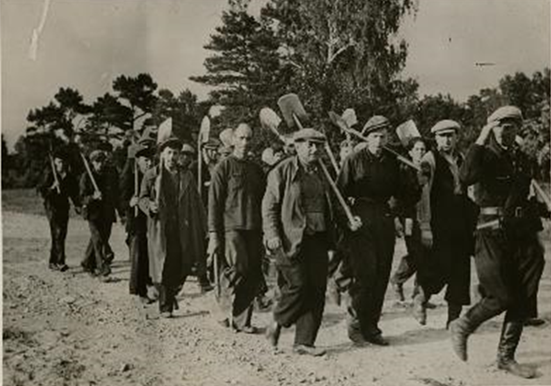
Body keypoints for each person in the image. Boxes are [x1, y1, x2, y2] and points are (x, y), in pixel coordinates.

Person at [450, 106, 546, 379]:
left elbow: (524, 197)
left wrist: (539, 221)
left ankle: (506, 357)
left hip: (519, 232)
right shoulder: (484, 155)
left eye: (512, 126)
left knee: (523, 294)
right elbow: (466, 176)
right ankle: (463, 325)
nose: (507, 130)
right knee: (500, 296)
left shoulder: (521, 159)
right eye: (501, 125)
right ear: (492, 128)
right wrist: (481, 136)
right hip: (489, 231)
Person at [263, 128, 350, 356]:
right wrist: (271, 234)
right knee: (299, 285)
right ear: (297, 145)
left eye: (318, 145)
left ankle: (304, 342)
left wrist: (349, 221)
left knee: (317, 290)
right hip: (290, 239)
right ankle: (277, 321)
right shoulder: (282, 171)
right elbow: (269, 206)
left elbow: (335, 205)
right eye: (309, 145)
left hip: (319, 238)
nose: (315, 149)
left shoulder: (324, 173)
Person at [337, 115, 419, 346]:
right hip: (360, 220)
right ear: (366, 136)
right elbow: (339, 194)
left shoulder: (393, 162)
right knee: (365, 274)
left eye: (383, 136)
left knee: (381, 274)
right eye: (374, 136)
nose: (379, 140)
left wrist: (417, 179)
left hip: (384, 219)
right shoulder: (353, 160)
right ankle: (355, 326)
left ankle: (371, 327)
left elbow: (405, 195)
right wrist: (347, 219)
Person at [414, 120, 477, 327]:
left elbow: (472, 189)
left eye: (451, 135)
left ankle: (453, 320)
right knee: (439, 267)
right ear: (436, 138)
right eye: (442, 136)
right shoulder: (430, 159)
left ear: (457, 137)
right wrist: (425, 226)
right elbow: (423, 194)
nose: (447, 139)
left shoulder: (462, 158)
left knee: (461, 270)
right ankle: (421, 298)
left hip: (461, 221)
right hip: (439, 221)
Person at [139, 131, 207, 318]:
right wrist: (149, 206)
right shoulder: (152, 176)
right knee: (165, 265)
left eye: (175, 153)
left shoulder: (186, 176)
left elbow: (197, 201)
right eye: (169, 153)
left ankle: (170, 292)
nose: (172, 157)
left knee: (182, 265)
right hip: (162, 228)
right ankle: (165, 305)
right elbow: (142, 198)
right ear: (162, 154)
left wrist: (204, 224)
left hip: (182, 228)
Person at [207, 123, 265, 333]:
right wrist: (214, 233)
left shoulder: (256, 170)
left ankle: (242, 321)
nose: (245, 143)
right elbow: (214, 203)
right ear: (233, 140)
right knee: (238, 267)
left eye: (248, 139)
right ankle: (219, 303)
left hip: (254, 228)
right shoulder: (223, 167)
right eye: (241, 138)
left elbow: (265, 201)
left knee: (251, 272)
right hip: (231, 228)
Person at [389, 137, 428, 302]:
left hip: (426, 217)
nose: (420, 152)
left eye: (423, 149)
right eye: (417, 149)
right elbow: (395, 197)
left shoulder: (428, 170)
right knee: (417, 253)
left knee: (427, 253)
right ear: (411, 152)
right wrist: (396, 218)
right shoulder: (404, 170)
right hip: (409, 218)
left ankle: (419, 293)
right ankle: (397, 280)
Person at [120, 142, 154, 304]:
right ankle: (140, 291)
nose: (149, 163)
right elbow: (118, 201)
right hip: (136, 223)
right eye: (146, 160)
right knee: (139, 257)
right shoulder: (130, 177)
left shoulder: (151, 177)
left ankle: (148, 284)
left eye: (151, 160)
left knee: (149, 256)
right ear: (138, 161)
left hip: (150, 222)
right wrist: (129, 203)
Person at [37, 150, 81, 271]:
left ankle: (53, 261)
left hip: (63, 206)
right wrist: (52, 187)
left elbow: (74, 194)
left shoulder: (70, 177)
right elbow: (41, 192)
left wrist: (77, 206)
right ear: (55, 163)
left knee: (61, 234)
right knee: (58, 232)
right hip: (51, 206)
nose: (61, 165)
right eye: (59, 162)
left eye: (63, 162)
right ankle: (60, 261)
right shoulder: (49, 174)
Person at [80, 149, 120, 280]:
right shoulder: (86, 177)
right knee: (98, 240)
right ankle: (103, 270)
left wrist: (120, 212)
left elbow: (115, 195)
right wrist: (92, 197)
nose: (100, 164)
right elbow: (81, 199)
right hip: (93, 214)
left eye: (102, 161)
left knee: (100, 239)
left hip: (107, 213)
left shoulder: (109, 176)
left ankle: (87, 263)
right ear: (92, 163)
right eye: (97, 161)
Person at [179, 142, 213, 293]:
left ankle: (203, 279)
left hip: (194, 218)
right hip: (180, 219)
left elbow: (197, 199)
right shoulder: (173, 173)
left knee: (199, 249)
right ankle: (177, 284)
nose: (185, 158)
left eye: (188, 156)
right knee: (183, 251)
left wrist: (203, 220)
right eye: (183, 155)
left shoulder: (191, 173)